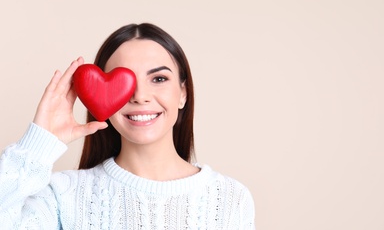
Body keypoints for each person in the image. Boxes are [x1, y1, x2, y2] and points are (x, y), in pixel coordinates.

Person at [0, 23, 255, 229]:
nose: (140, 96)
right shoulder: (61, 196)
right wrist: (39, 143)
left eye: (158, 78)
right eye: (125, 81)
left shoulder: (231, 199)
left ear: (183, 93)